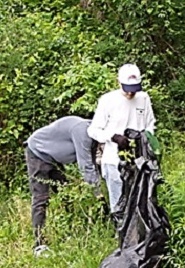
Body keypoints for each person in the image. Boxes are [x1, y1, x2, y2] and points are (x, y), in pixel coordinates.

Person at [25, 116, 103, 256]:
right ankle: (39, 244)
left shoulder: (95, 134)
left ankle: (71, 230)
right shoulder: (83, 132)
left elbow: (95, 165)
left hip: (54, 158)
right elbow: (85, 167)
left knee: (65, 194)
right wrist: (98, 195)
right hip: (38, 152)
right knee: (41, 198)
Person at [88, 64, 156, 213]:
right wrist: (112, 137)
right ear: (119, 82)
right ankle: (121, 232)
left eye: (134, 89)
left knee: (140, 201)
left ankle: (140, 234)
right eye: (127, 89)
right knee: (119, 203)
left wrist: (143, 138)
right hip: (114, 160)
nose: (131, 94)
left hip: (139, 160)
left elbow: (150, 125)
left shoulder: (144, 98)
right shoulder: (107, 100)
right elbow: (93, 130)